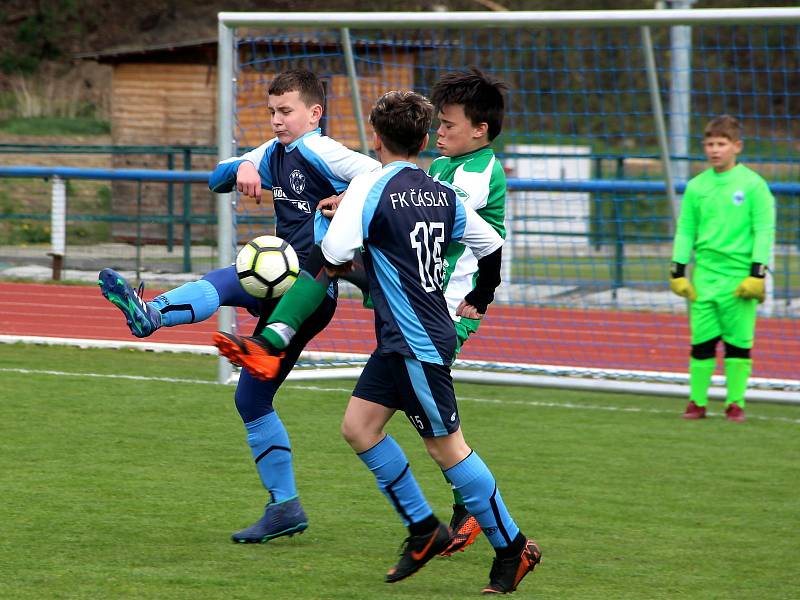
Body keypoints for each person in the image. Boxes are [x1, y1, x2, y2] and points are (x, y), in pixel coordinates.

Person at [216, 90, 541, 594]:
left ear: (375, 137)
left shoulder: (369, 188)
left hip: (417, 342)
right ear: (421, 137)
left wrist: (277, 331)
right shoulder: (438, 190)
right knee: (358, 427)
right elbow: (489, 243)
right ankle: (422, 529)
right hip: (407, 337)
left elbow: (329, 262)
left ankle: (513, 547)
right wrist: (483, 292)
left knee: (447, 449)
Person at [98, 68, 380, 542]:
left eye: (286, 111)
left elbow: (376, 174)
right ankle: (285, 507)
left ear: (314, 113)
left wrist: (345, 199)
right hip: (282, 274)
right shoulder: (276, 153)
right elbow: (216, 178)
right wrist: (244, 168)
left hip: (310, 287)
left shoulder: (319, 149)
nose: (276, 120)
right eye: (271, 111)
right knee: (250, 396)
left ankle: (155, 314)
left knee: (239, 276)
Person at [427, 66, 509, 557]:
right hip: (426, 303)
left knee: (426, 414)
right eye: (437, 123)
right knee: (428, 413)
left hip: (454, 310)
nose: (439, 132)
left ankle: (478, 513)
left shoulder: (479, 173)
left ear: (479, 130)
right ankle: (469, 507)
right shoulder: (441, 167)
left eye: (448, 125)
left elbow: (436, 211)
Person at [669, 114, 775, 423]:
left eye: (722, 144)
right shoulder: (696, 186)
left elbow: (763, 230)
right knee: (701, 342)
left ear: (736, 146)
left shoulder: (753, 185)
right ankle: (696, 403)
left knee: (737, 343)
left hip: (740, 278)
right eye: (710, 144)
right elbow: (685, 230)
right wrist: (677, 271)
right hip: (705, 276)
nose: (715, 150)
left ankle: (735, 404)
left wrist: (757, 274)